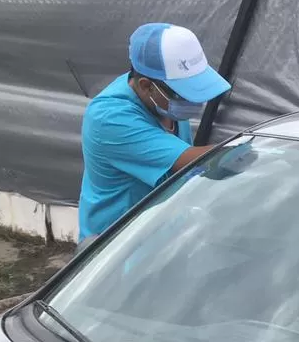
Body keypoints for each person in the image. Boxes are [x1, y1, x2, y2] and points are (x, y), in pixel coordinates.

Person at [78, 23, 232, 244]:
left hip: (160, 232)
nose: (194, 103)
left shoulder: (161, 100)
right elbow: (200, 160)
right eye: (184, 95)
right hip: (117, 248)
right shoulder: (110, 119)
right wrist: (264, 148)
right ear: (146, 86)